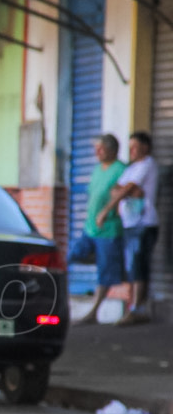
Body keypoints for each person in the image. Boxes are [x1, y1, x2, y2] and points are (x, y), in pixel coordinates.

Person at [97, 130, 160, 325]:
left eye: (135, 146)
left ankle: (137, 309)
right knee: (132, 267)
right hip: (130, 224)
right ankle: (133, 307)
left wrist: (108, 209)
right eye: (130, 146)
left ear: (145, 148)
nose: (131, 150)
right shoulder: (132, 168)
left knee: (139, 267)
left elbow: (125, 189)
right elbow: (117, 189)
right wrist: (128, 192)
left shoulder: (147, 165)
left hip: (143, 223)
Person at [73, 133, 125, 325]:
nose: (97, 152)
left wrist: (108, 211)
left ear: (112, 150)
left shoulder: (120, 169)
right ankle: (108, 261)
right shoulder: (97, 169)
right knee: (74, 254)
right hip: (90, 227)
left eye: (101, 148)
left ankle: (94, 311)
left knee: (105, 273)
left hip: (109, 229)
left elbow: (123, 195)